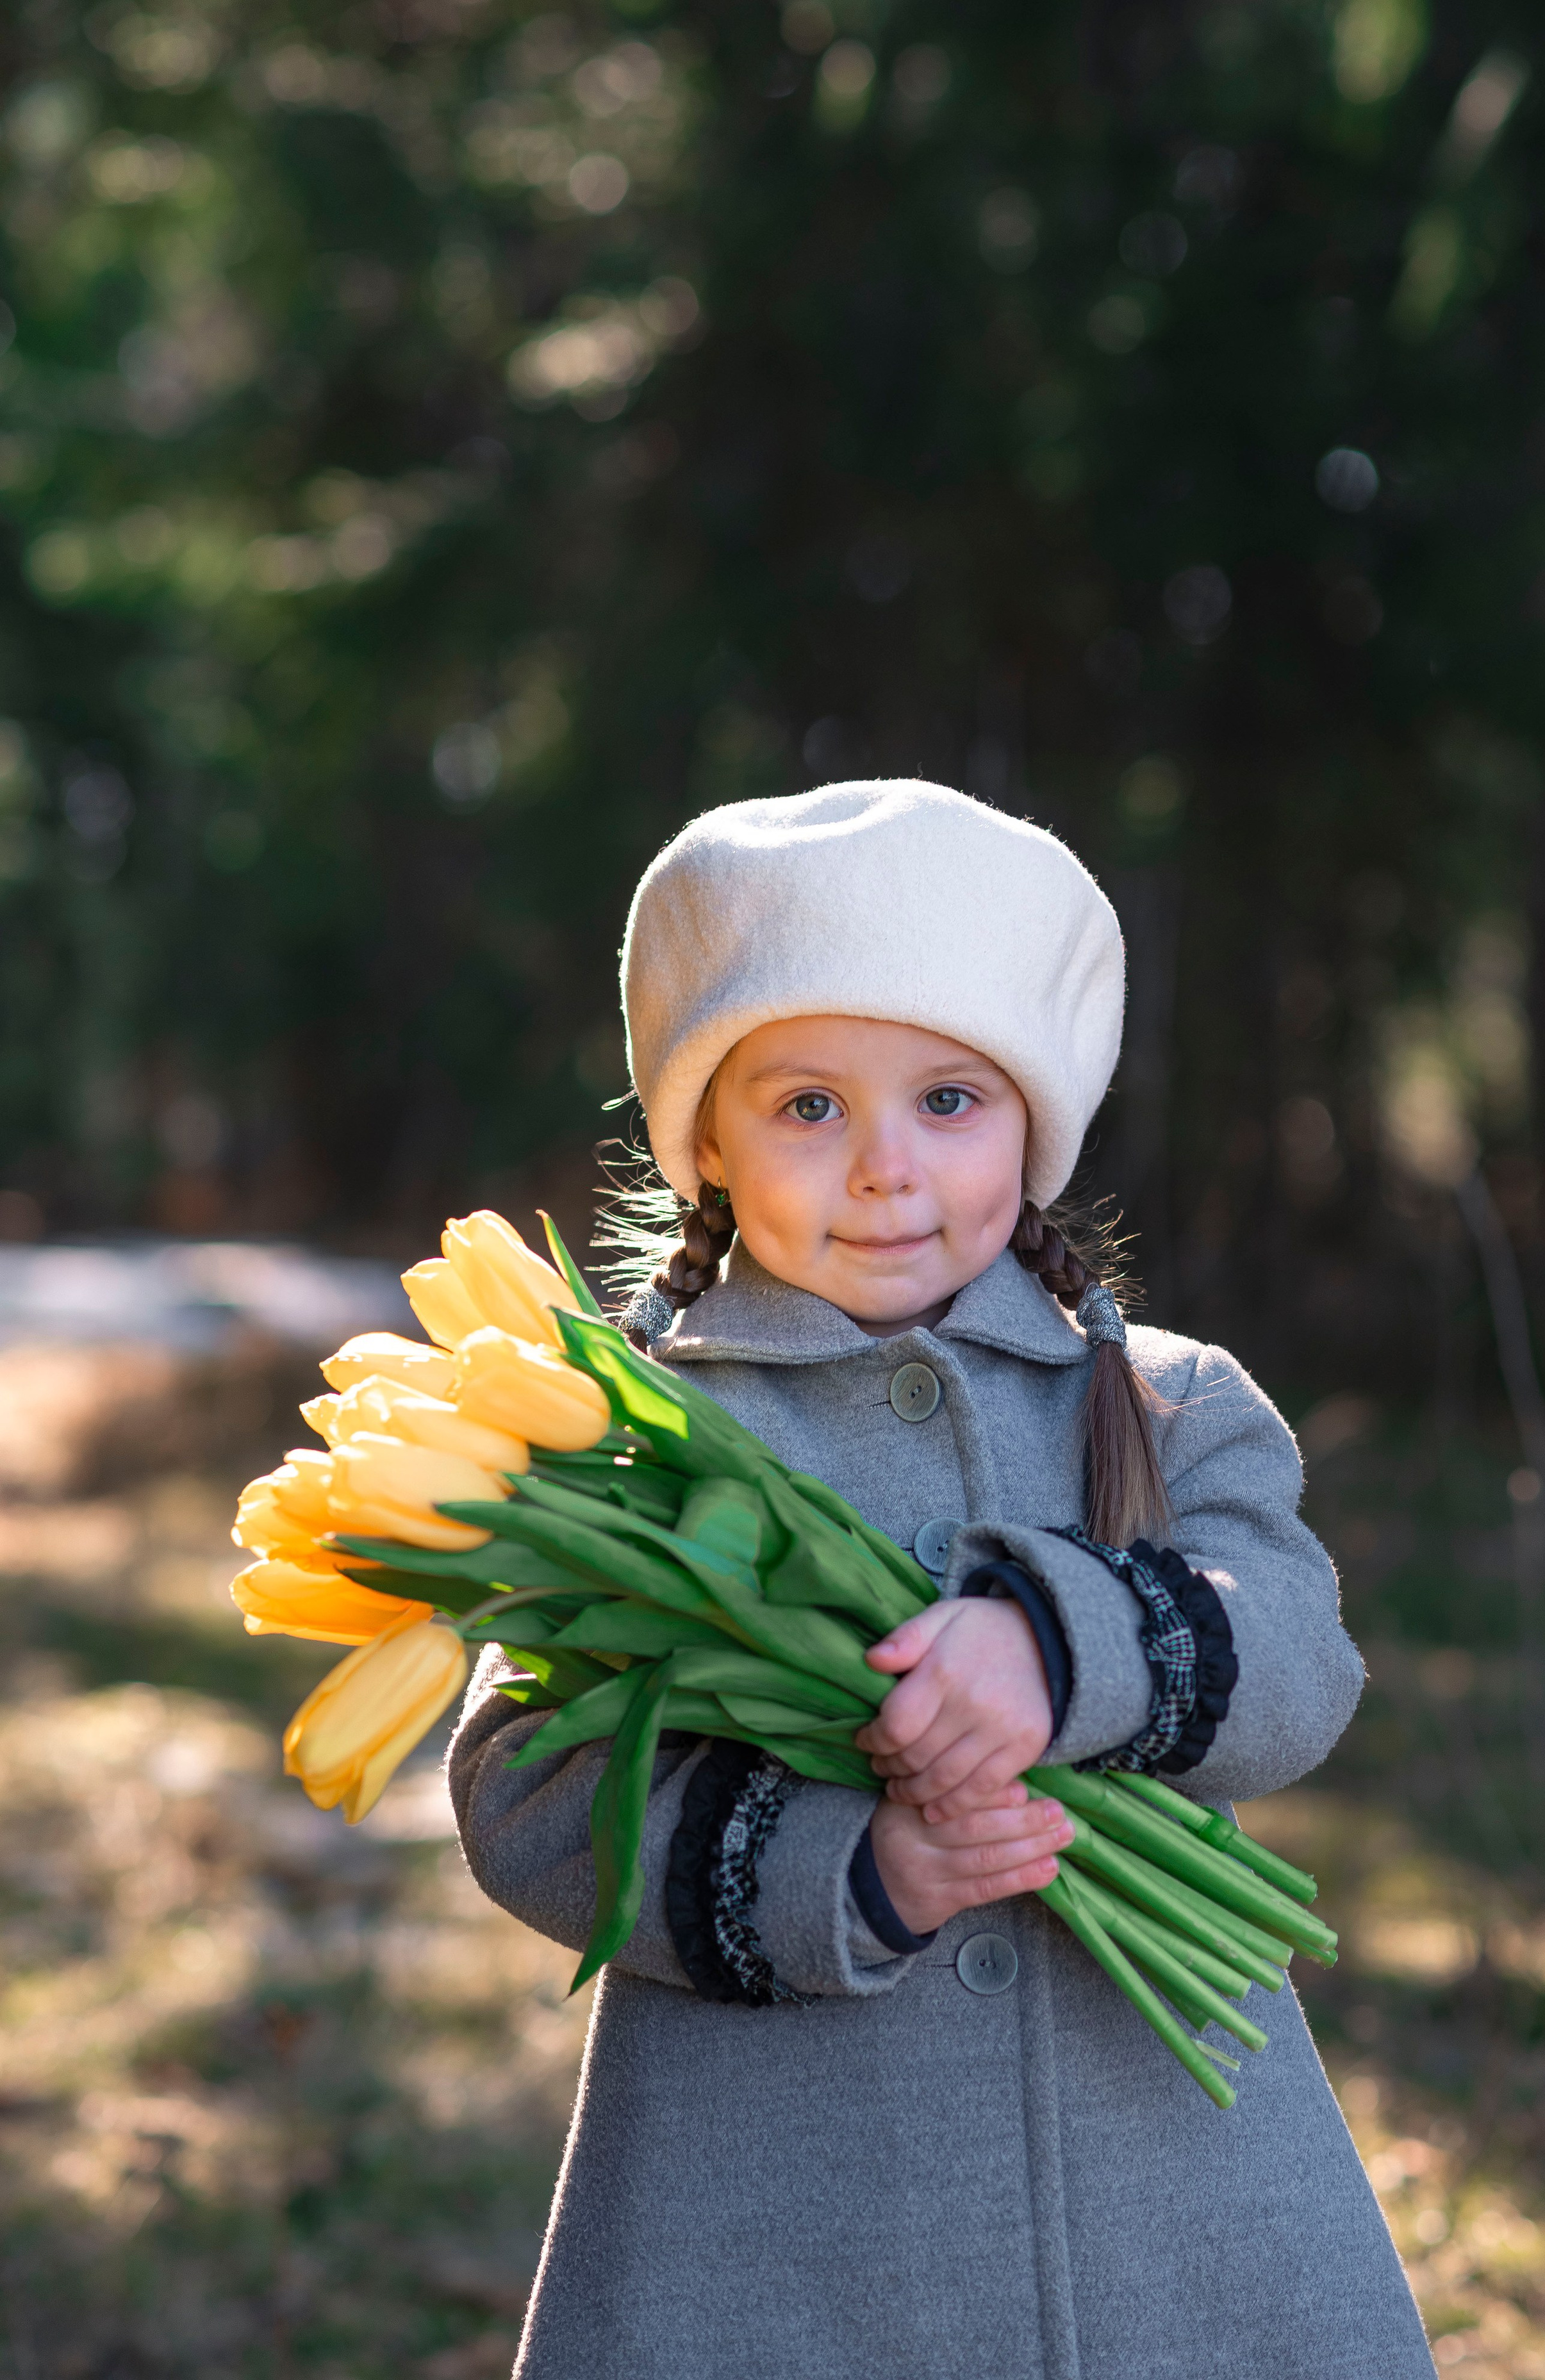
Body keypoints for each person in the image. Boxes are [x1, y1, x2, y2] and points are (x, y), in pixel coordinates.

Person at [447, 778, 1434, 2380]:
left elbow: (1298, 1653)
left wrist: (1064, 1651)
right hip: (770, 2235)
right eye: (809, 1106)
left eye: (949, 1102)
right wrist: (858, 1867)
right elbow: (525, 1785)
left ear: (1034, 1120)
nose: (886, 1169)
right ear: (704, 1137)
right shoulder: (623, 1440)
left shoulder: (1162, 1397)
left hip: (1175, 2215)